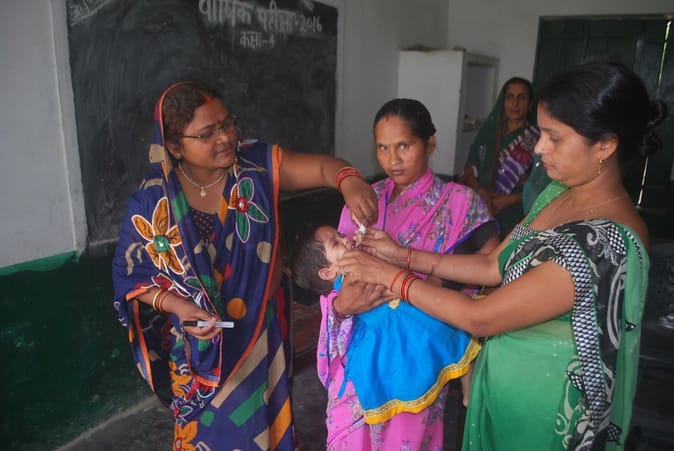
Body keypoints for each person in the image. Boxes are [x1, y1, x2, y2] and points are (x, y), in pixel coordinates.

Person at [337, 62, 666, 450]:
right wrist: (401, 254)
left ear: (605, 146)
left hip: (546, 414)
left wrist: (388, 275)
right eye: (542, 134)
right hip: (503, 393)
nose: (539, 148)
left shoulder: (603, 243)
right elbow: (494, 265)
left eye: (554, 137)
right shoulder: (558, 195)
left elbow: (480, 317)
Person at [111, 81, 378, 450]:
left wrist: (348, 180)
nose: (224, 137)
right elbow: (133, 278)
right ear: (174, 146)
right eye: (206, 133)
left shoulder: (256, 167)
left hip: (261, 337)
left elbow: (322, 168)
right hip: (201, 348)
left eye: (227, 124)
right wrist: (179, 308)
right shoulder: (153, 202)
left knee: (264, 430)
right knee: (208, 435)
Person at [306, 98, 500, 449]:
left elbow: (488, 274)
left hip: (417, 358)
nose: (392, 159)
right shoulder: (364, 200)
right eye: (382, 148)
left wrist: (413, 278)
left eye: (403, 146)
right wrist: (341, 306)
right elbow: (335, 276)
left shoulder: (461, 204)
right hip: (359, 359)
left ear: (430, 144)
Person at [290, 223, 478, 419]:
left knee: (450, 334)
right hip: (397, 325)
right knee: (452, 331)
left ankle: (467, 391)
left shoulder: (349, 279)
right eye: (336, 243)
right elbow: (383, 282)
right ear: (327, 272)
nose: (345, 239)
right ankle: (468, 391)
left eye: (341, 235)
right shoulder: (348, 283)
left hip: (395, 324)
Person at [460, 76, 540, 238]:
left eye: (521, 98)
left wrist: (509, 200)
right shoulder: (488, 133)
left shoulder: (537, 139)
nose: (515, 103)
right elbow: (469, 168)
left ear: (530, 104)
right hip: (481, 207)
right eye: (510, 97)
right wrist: (481, 191)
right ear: (503, 102)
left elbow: (541, 186)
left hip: (515, 214)